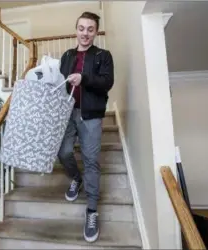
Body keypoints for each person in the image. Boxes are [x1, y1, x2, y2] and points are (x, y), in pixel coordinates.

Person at [58, 11, 114, 243]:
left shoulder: (103, 55)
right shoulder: (67, 55)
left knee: (91, 161)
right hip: (68, 113)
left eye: (90, 29)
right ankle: (76, 178)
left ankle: (92, 210)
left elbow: (106, 83)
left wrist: (84, 78)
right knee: (64, 152)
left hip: (91, 116)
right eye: (82, 28)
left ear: (96, 32)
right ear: (76, 29)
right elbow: (59, 81)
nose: (85, 33)